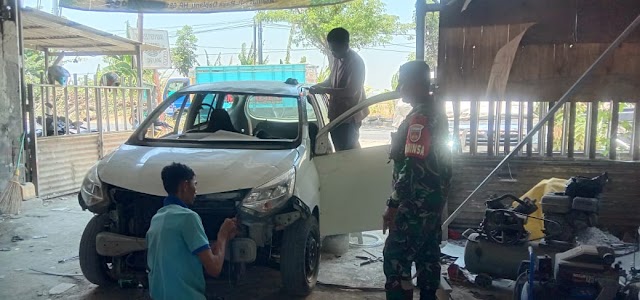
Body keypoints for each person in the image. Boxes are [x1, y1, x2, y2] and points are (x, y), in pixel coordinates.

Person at [382, 61, 453, 300]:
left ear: (414, 83)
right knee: (427, 256)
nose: (400, 87)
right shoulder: (436, 112)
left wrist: (393, 204)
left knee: (395, 261)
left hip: (414, 204)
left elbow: (411, 166)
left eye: (403, 81)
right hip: (432, 203)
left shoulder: (421, 117)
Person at [146, 162, 238, 300]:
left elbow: (197, 255)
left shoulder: (157, 218)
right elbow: (214, 268)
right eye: (194, 184)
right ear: (184, 185)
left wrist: (221, 242)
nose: (196, 190)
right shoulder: (188, 217)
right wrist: (223, 235)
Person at [310, 27, 368, 151]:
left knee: (348, 153)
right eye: (331, 49)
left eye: (335, 49)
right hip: (337, 115)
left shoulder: (356, 63)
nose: (332, 53)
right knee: (340, 149)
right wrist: (318, 86)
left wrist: (324, 90)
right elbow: (330, 81)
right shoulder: (338, 58)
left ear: (346, 45)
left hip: (349, 116)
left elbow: (350, 91)